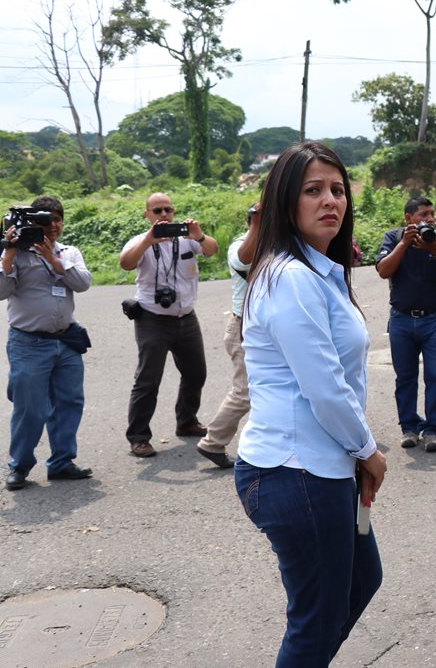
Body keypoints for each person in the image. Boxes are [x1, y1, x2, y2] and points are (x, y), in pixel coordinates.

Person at [234, 141, 386, 665]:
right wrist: (368, 451)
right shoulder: (292, 278)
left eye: (338, 190)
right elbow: (323, 385)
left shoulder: (317, 271)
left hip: (322, 467)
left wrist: (354, 457)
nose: (330, 201)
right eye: (313, 190)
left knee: (361, 580)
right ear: (284, 201)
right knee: (315, 620)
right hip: (296, 471)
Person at [2, 197, 93, 490]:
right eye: (46, 221)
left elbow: (82, 283)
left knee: (69, 403)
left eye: (57, 219)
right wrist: (8, 254)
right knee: (31, 409)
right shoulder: (17, 253)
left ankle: (62, 463)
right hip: (29, 342)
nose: (53, 226)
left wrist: (55, 262)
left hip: (65, 341)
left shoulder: (70, 252)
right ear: (31, 224)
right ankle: (20, 466)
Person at [119, 192, 218, 458]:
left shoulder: (187, 240)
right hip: (152, 319)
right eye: (157, 210)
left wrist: (198, 235)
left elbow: (212, 249)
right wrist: (148, 241)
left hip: (186, 317)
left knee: (196, 373)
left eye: (168, 210)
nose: (164, 215)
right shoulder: (139, 241)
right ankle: (139, 437)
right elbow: (126, 263)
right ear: (147, 215)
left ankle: (186, 421)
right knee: (148, 380)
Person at [375, 197, 436, 452]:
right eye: (424, 215)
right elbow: (383, 270)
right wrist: (404, 244)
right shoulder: (393, 239)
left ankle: (432, 429)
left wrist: (435, 249)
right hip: (402, 319)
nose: (430, 220)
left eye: (432, 214)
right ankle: (409, 429)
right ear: (408, 219)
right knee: (405, 377)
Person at [195, 203, 261, 469]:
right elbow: (243, 262)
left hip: (262, 329)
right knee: (245, 391)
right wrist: (258, 224)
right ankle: (212, 442)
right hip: (242, 329)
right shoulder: (239, 244)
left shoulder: (276, 245)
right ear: (250, 223)